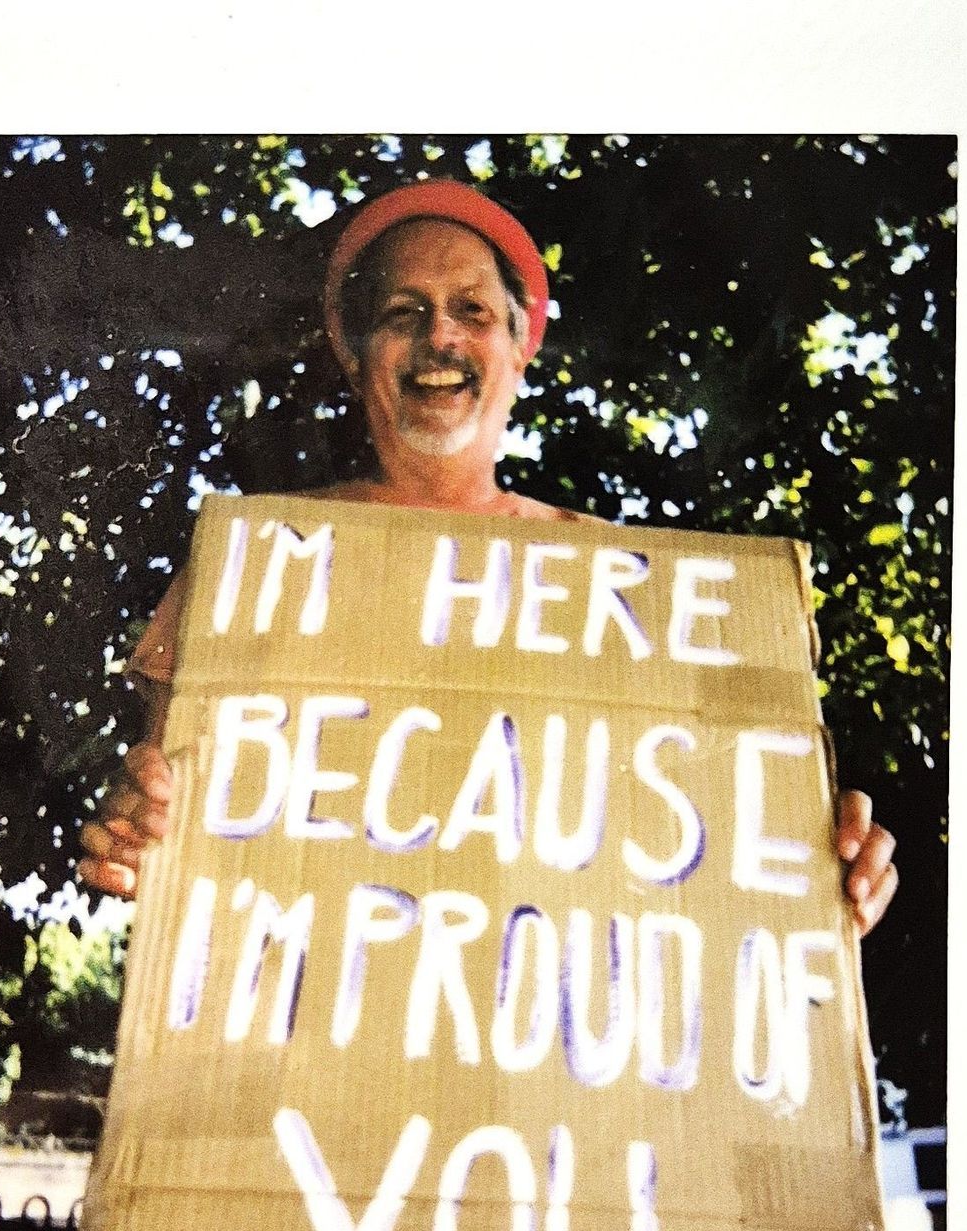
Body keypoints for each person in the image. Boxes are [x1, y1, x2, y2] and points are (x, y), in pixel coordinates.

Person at [79, 177, 897, 927]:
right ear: (355, 353)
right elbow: (169, 800)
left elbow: (713, 880)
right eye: (403, 313)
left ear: (519, 347)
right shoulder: (252, 566)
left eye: (471, 311)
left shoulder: (634, 593)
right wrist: (138, 830)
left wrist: (816, 885)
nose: (439, 335)